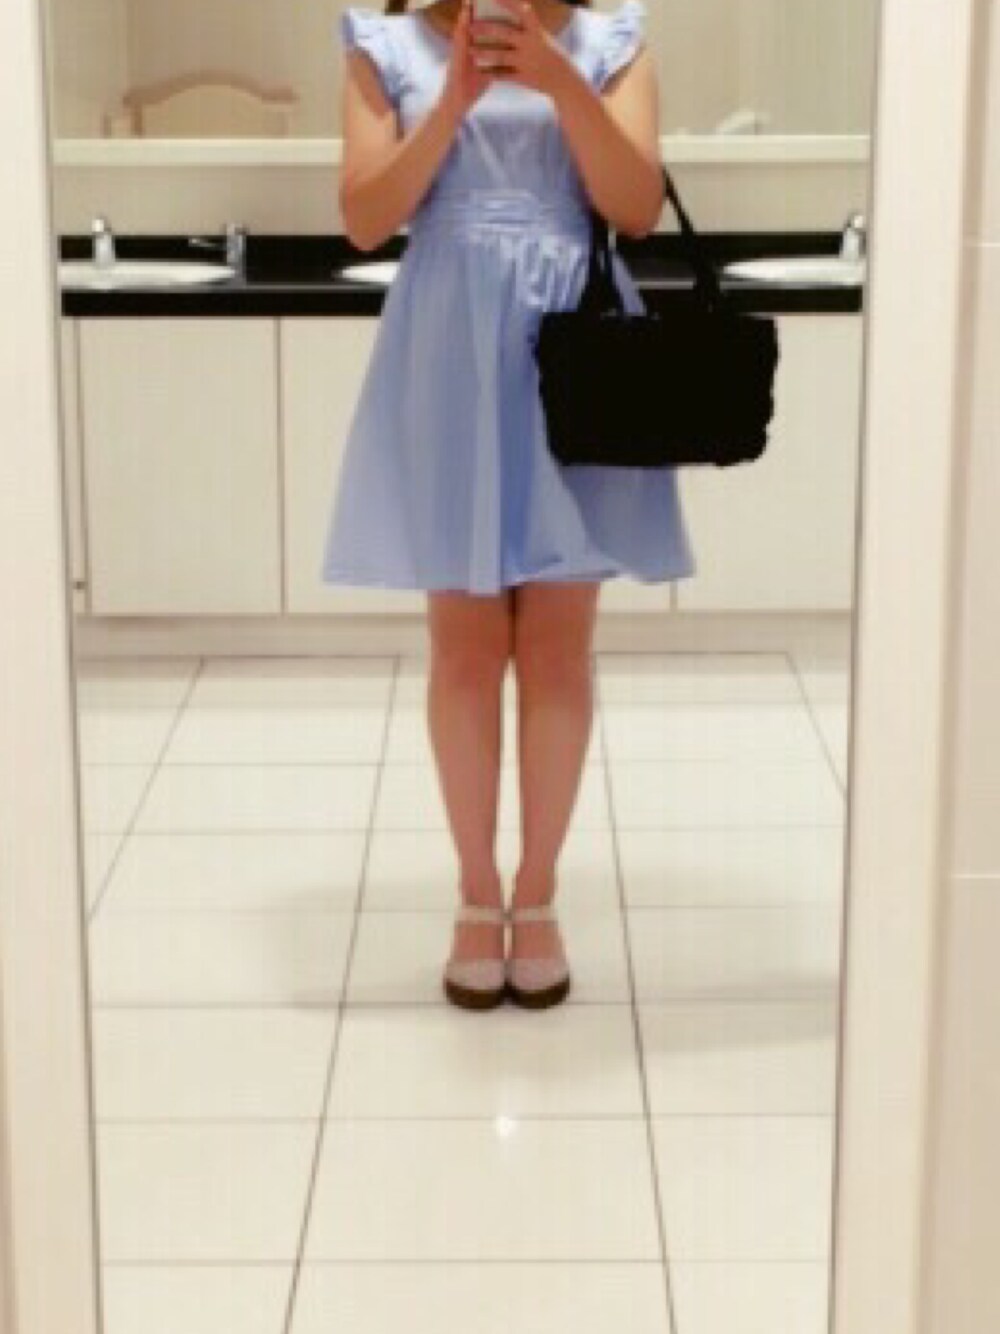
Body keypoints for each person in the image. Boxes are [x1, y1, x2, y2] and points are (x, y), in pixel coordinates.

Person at [323, 0, 694, 1010]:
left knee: (560, 645)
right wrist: (451, 100)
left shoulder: (612, 42)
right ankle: (475, 891)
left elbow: (635, 206)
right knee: (465, 644)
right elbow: (364, 217)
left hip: (575, 346)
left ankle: (537, 892)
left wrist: (558, 77)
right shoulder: (381, 45)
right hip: (449, 346)